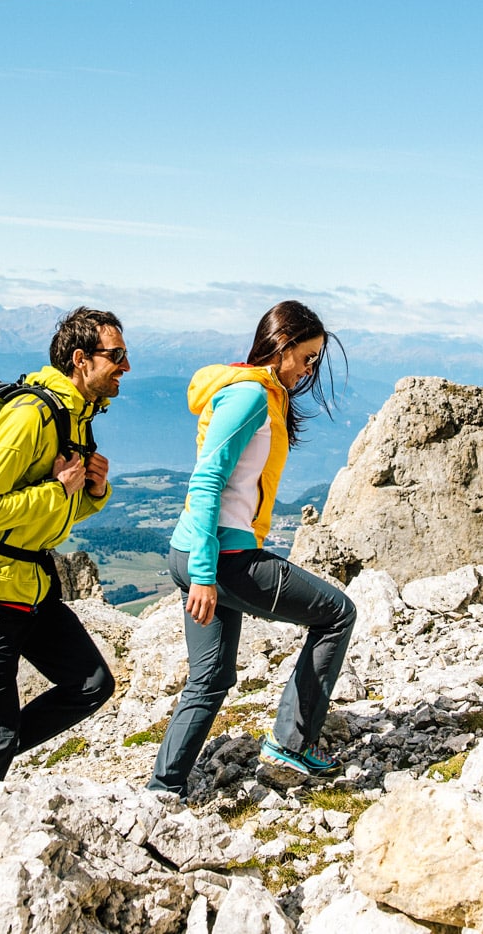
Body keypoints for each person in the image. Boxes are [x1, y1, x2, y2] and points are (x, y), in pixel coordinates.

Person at [148, 300, 356, 798]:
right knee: (336, 615)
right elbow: (206, 482)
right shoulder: (248, 397)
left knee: (212, 677)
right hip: (221, 559)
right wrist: (203, 573)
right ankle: (291, 743)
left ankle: (161, 789)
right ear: (281, 347)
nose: (309, 370)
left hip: (203, 551)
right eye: (307, 358)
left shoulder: (261, 393)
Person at [0, 306, 126, 781]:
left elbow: (47, 517)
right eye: (116, 355)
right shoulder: (30, 416)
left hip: (29, 585)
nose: (125, 366)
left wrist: (91, 495)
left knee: (91, 684)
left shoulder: (76, 419)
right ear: (81, 359)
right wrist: (56, 489)